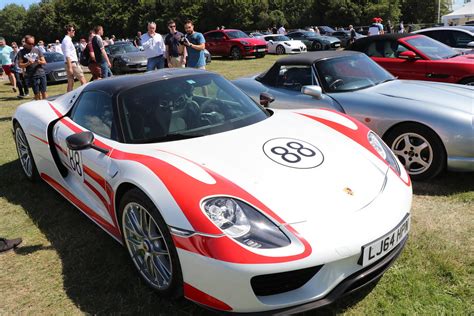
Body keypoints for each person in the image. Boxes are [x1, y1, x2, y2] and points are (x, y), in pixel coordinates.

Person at [18, 35, 48, 100]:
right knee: (37, 94)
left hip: (41, 73)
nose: (32, 45)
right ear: (25, 42)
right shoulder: (21, 52)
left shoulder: (37, 50)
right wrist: (27, 63)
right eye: (30, 43)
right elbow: (20, 65)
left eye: (33, 43)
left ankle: (46, 106)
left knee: (44, 92)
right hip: (32, 75)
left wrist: (38, 61)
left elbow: (44, 62)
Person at [61, 24, 87, 92]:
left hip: (69, 63)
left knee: (70, 83)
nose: (74, 31)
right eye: (73, 30)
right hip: (72, 64)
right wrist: (70, 68)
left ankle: (68, 99)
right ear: (68, 31)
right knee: (83, 81)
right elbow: (67, 55)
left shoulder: (66, 40)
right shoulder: (67, 40)